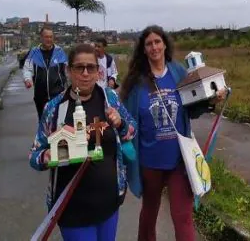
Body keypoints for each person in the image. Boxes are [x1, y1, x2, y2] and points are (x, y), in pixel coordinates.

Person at [120, 25, 227, 241]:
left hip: (179, 160)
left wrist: (211, 102)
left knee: (183, 216)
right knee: (149, 214)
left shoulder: (179, 72)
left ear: (165, 44)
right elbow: (128, 121)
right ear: (143, 49)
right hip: (150, 162)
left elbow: (191, 108)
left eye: (157, 42)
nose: (154, 47)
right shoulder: (136, 82)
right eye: (149, 43)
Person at [29, 43, 137, 241]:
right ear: (69, 71)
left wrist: (120, 123)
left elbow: (132, 130)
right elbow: (34, 156)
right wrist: (50, 155)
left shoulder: (109, 98)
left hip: (109, 205)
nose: (85, 73)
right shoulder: (54, 109)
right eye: (79, 67)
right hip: (72, 210)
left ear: (98, 72)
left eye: (91, 67)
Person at [23, 27, 68, 120]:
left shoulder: (60, 52)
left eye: (51, 37)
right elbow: (27, 69)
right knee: (43, 122)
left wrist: (69, 88)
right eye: (46, 37)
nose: (49, 39)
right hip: (40, 96)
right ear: (41, 38)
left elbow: (68, 71)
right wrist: (27, 79)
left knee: (58, 122)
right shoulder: (34, 52)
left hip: (58, 95)